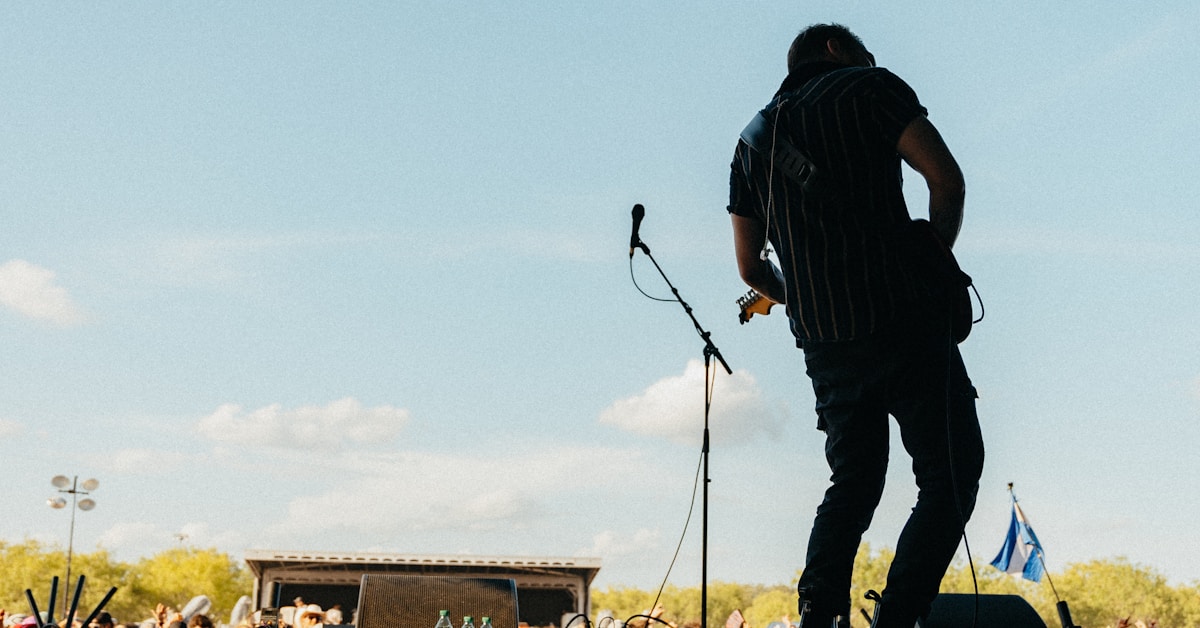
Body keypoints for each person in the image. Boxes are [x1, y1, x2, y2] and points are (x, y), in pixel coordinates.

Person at [726, 23, 985, 628]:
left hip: (826, 345)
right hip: (906, 321)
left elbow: (749, 266)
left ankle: (819, 614)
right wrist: (930, 263)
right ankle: (897, 616)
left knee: (854, 482)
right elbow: (946, 180)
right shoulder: (869, 88)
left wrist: (807, 298)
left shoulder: (750, 144)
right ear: (838, 50)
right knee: (951, 473)